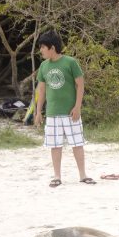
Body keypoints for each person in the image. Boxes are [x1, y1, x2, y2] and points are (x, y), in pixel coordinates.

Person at [34, 30, 92, 187]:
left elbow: (80, 84)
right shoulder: (43, 66)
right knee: (55, 145)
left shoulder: (70, 62)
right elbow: (41, 91)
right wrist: (38, 112)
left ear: (52, 47)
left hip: (70, 112)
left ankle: (83, 175)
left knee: (77, 143)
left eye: (43, 47)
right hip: (52, 113)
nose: (41, 50)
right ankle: (57, 176)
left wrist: (77, 106)